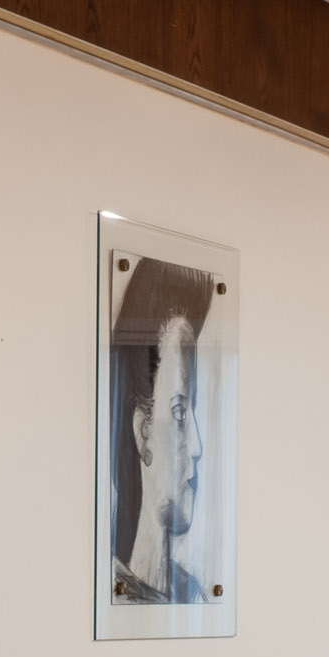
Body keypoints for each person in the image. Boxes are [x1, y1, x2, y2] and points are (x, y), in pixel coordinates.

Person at [108, 255, 218, 603]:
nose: (198, 447)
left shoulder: (195, 597)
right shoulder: (112, 592)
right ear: (143, 433)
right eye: (181, 413)